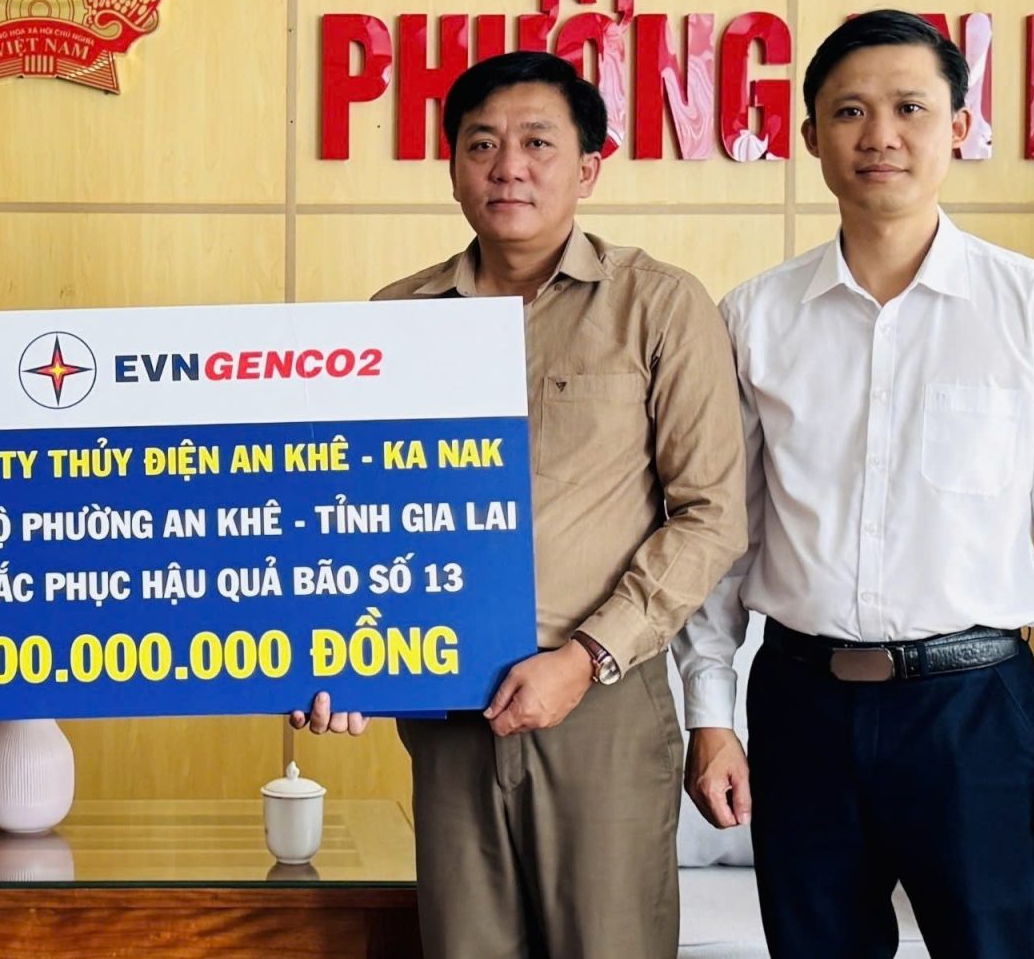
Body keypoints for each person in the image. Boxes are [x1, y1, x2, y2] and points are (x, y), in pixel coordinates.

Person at [675, 9, 1034, 956]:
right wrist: (710, 718)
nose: (879, 134)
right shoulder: (755, 317)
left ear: (960, 127)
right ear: (810, 136)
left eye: (910, 108)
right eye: (849, 111)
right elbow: (723, 535)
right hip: (800, 705)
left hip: (975, 709)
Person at [296, 50, 747, 958]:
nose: (508, 166)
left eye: (538, 142)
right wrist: (334, 654)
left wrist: (585, 657)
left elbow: (711, 515)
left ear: (588, 167)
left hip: (601, 700)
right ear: (453, 166)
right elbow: (352, 512)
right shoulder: (395, 319)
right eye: (482, 144)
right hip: (445, 706)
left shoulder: (658, 305)